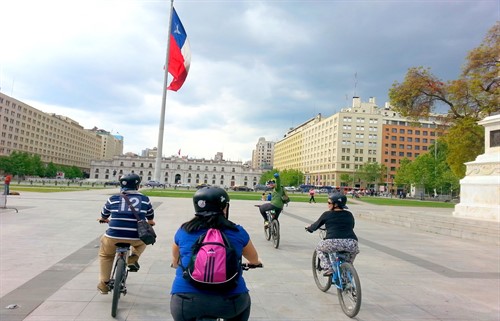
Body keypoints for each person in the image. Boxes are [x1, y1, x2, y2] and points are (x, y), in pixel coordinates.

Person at [170, 186, 261, 321]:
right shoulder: (237, 231)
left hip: (186, 301)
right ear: (224, 207)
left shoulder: (184, 230)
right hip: (231, 301)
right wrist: (254, 263)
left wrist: (175, 263)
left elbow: (175, 259)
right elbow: (253, 258)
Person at [96, 173, 155, 294]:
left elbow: (104, 214)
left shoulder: (113, 198)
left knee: (106, 255)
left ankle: (104, 283)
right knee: (144, 241)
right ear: (138, 185)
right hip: (136, 237)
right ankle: (133, 258)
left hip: (113, 237)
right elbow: (150, 215)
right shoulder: (145, 199)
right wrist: (150, 222)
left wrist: (104, 219)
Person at [305, 192, 359, 276]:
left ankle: (328, 267)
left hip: (333, 242)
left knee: (319, 248)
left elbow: (315, 226)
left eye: (329, 203)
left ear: (336, 204)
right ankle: (348, 276)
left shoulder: (326, 214)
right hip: (352, 243)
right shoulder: (349, 214)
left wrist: (309, 228)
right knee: (348, 263)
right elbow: (351, 226)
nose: (328, 205)